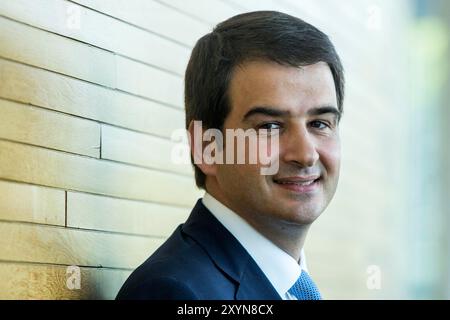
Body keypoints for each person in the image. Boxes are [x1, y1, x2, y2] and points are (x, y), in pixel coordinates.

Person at [116, 10, 344, 300]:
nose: (306, 154)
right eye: (270, 126)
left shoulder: (292, 286)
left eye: (319, 124)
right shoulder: (173, 292)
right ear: (207, 147)